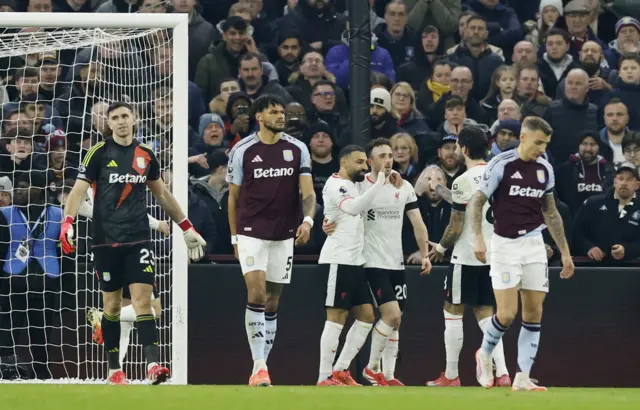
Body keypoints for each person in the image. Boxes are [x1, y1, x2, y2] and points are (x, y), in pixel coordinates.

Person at [59, 101, 207, 385]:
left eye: (125, 115)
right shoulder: (97, 153)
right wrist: (68, 222)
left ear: (135, 119)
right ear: (109, 123)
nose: (121, 121)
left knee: (144, 302)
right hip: (105, 242)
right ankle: (114, 369)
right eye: (115, 117)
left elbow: (162, 194)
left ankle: (153, 365)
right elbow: (77, 191)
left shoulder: (146, 154)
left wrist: (186, 227)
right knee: (112, 307)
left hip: (138, 239)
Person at [469, 116, 575, 391]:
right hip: (504, 245)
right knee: (506, 314)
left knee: (534, 313)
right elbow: (476, 201)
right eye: (538, 142)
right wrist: (478, 238)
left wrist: (564, 252)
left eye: (546, 144)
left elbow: (550, 212)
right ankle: (484, 353)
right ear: (524, 137)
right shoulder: (501, 164)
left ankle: (522, 377)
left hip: (534, 245)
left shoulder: (545, 170)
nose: (542, 148)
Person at [322, 138, 431, 386]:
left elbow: (417, 223)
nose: (387, 160)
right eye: (381, 156)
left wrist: (424, 254)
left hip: (396, 262)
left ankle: (388, 375)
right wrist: (327, 222)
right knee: (390, 316)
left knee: (396, 320)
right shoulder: (359, 185)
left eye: (390, 155)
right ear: (370, 161)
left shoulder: (402, 187)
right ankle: (367, 369)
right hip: (370, 262)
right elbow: (340, 208)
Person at [226, 94, 316, 387]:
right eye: (274, 112)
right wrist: (234, 237)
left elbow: (308, 193)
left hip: (284, 234)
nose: (281, 116)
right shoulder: (242, 150)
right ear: (259, 117)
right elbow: (233, 198)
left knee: (273, 302)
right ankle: (260, 365)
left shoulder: (298, 149)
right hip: (251, 231)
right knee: (256, 294)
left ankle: (260, 366)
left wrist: (307, 219)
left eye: (282, 111)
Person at [426, 126, 511, 388]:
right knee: (487, 314)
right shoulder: (500, 174)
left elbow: (455, 224)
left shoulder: (463, 180)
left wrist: (439, 248)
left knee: (452, 312)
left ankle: (451, 376)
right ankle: (504, 373)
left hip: (466, 256)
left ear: (463, 149)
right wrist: (440, 189)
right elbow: (468, 202)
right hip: (493, 256)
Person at [316, 145, 388, 387]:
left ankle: (340, 370)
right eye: (358, 163)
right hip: (338, 259)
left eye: (365, 162)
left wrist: (384, 176)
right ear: (343, 163)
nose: (364, 167)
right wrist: (380, 183)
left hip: (354, 261)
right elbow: (353, 208)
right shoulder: (337, 185)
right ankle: (324, 376)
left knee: (367, 316)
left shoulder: (354, 183)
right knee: (336, 316)